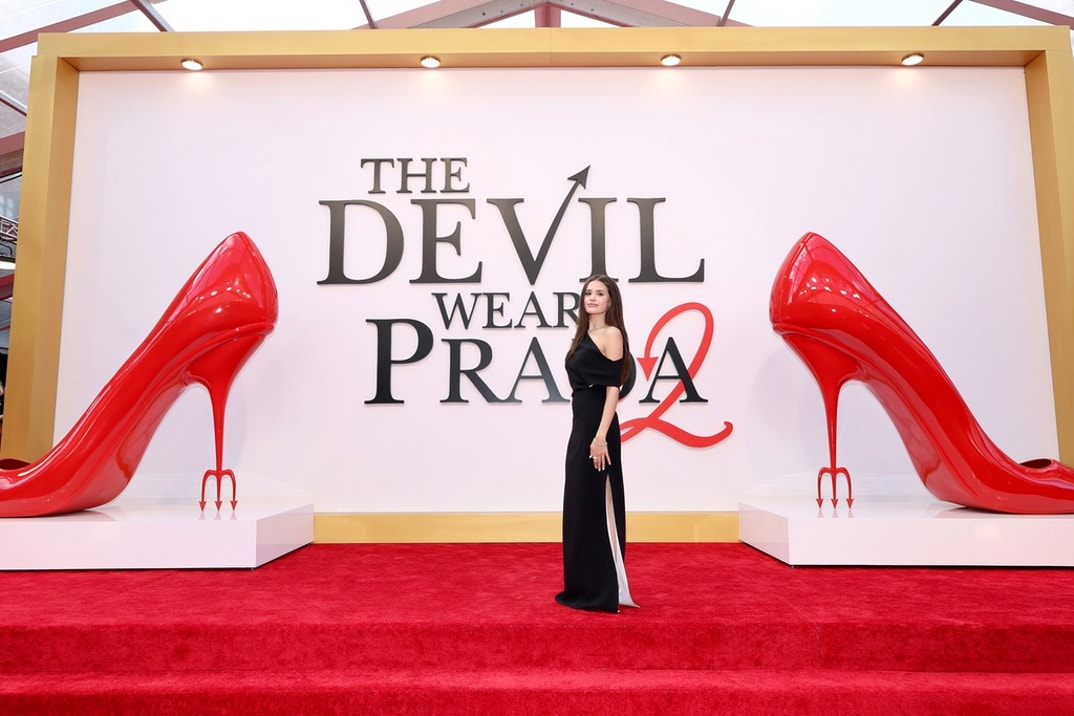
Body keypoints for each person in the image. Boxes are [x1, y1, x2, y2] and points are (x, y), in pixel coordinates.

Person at [555, 275, 638, 613]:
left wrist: (601, 436)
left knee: (595, 506)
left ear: (610, 301)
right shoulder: (583, 335)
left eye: (599, 293)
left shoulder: (612, 334)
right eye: (588, 292)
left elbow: (612, 389)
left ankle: (602, 590)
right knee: (578, 506)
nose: (592, 297)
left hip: (597, 429)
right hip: (581, 426)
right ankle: (580, 586)